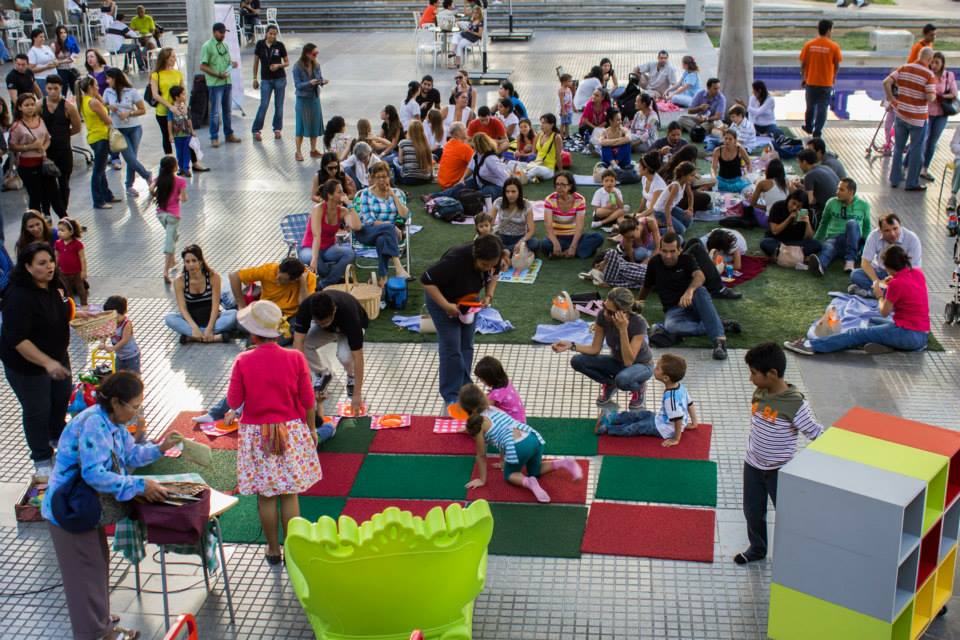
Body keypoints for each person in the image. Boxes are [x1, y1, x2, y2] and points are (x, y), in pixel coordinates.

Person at [42, 371, 179, 640]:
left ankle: (99, 619)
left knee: (97, 564)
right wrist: (140, 486)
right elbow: (95, 475)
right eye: (135, 406)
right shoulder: (94, 424)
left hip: (87, 507)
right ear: (116, 402)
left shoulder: (113, 422)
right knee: (85, 575)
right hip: (69, 509)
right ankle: (96, 632)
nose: (138, 413)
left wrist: (160, 448)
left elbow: (130, 454)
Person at [228, 299, 323, 564]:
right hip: (290, 429)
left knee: (267, 495)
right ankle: (292, 547)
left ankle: (272, 549)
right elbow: (307, 400)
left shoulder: (243, 360)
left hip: (257, 434)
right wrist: (313, 429)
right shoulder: (295, 357)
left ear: (253, 332)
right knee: (289, 493)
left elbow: (234, 401)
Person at [734, 343, 824, 565]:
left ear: (772, 374)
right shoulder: (760, 392)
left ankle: (794, 554)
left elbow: (815, 432)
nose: (750, 379)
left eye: (754, 373)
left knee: (787, 515)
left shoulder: (795, 403)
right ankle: (757, 548)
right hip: (753, 465)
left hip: (779, 470)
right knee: (753, 512)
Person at [0, 242, 74, 474]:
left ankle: (57, 439)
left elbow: (64, 309)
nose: (50, 266)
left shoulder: (55, 284)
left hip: (58, 356)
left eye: (51, 261)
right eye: (42, 263)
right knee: (37, 409)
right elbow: (19, 341)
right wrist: (47, 363)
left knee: (61, 398)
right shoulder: (18, 296)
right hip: (27, 367)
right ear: (28, 267)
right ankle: (42, 460)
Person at [787, 245, 929, 355]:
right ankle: (888, 345)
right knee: (870, 321)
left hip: (908, 335)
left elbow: (884, 312)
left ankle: (811, 346)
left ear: (888, 267)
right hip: (922, 334)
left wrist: (879, 295)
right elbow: (908, 292)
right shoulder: (917, 273)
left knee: (856, 332)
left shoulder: (896, 284)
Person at [459, 382, 581, 502]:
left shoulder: (478, 423)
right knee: (535, 470)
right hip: (532, 436)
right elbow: (503, 431)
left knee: (510, 475)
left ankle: (530, 482)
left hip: (518, 446)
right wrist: (502, 461)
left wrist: (482, 480)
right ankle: (563, 463)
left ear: (467, 408)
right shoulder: (493, 408)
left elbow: (481, 455)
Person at [421, 235, 503, 405]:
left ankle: (464, 387)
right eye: (483, 265)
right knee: (451, 346)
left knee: (467, 343)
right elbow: (426, 281)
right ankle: (451, 395)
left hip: (468, 300)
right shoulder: (456, 260)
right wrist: (446, 306)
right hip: (443, 300)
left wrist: (489, 294)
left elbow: (495, 274)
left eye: (491, 264)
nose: (487, 268)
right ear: (475, 256)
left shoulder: (495, 257)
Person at [639, 232, 738, 360]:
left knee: (700, 291)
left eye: (672, 251)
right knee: (671, 327)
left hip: (693, 301)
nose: (668, 256)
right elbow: (646, 286)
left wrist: (689, 292)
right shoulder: (654, 263)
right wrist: (637, 304)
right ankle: (718, 323)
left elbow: (700, 276)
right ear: (660, 249)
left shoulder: (687, 259)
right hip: (674, 309)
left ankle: (719, 342)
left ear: (680, 250)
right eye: (664, 251)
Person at [552, 287, 653, 410]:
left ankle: (638, 388)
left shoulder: (638, 323)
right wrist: (571, 345)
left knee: (623, 379)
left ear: (624, 312)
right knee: (577, 361)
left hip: (641, 365)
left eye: (610, 312)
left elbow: (628, 361)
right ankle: (610, 384)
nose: (605, 313)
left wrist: (622, 330)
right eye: (604, 307)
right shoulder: (602, 316)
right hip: (617, 361)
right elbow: (595, 349)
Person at [596, 353, 698, 448]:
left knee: (636, 427)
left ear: (666, 378)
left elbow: (678, 419)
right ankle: (612, 417)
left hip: (663, 429)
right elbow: (690, 404)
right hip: (659, 419)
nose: (654, 368)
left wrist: (676, 438)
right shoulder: (681, 387)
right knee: (639, 415)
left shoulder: (671, 399)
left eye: (657, 368)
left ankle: (607, 429)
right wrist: (694, 423)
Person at [293, 290, 368, 414]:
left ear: (334, 310)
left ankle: (351, 377)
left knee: (344, 356)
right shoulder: (307, 307)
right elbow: (298, 342)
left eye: (325, 322)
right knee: (305, 343)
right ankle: (323, 373)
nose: (322, 325)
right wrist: (303, 379)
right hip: (332, 329)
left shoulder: (349, 314)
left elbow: (358, 357)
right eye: (318, 322)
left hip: (350, 328)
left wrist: (357, 395)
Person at [150, 48, 207, 173]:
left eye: (175, 57)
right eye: (172, 57)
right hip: (164, 111)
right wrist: (170, 106)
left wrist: (184, 106)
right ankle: (170, 165)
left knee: (187, 136)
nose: (175, 59)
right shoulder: (156, 75)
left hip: (181, 111)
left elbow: (183, 91)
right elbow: (155, 94)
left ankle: (195, 162)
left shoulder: (177, 73)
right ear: (165, 58)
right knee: (167, 137)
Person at [353, 161, 411, 284]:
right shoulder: (366, 194)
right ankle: (399, 268)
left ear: (388, 177)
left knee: (382, 240)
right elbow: (369, 221)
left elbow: (405, 215)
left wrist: (394, 197)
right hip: (366, 232)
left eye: (384, 177)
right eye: (378, 177)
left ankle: (383, 279)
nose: (381, 180)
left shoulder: (395, 193)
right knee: (388, 229)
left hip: (387, 235)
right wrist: (391, 227)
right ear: (373, 179)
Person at [166, 244, 237, 343]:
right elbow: (183, 308)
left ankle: (193, 337)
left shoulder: (214, 277)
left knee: (233, 314)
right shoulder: (179, 281)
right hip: (191, 322)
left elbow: (215, 306)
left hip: (212, 320)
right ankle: (214, 337)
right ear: (184, 263)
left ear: (200, 261)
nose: (191, 264)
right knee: (169, 318)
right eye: (187, 261)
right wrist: (194, 327)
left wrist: (210, 327)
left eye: (194, 260)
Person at [10, 93, 63, 219]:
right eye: (26, 105)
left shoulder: (40, 120)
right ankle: (36, 224)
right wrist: (30, 147)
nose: (30, 108)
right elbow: (12, 146)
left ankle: (64, 219)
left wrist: (42, 148)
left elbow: (47, 138)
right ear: (20, 107)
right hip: (28, 165)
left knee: (53, 193)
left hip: (43, 163)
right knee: (35, 196)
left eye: (32, 104)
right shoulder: (17, 126)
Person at [300, 179, 359, 287]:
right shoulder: (318, 209)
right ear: (330, 195)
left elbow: (356, 226)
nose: (343, 194)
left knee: (350, 253)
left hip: (329, 248)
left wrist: (350, 205)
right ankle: (334, 278)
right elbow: (316, 236)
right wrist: (314, 258)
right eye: (340, 192)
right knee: (313, 259)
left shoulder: (342, 211)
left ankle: (324, 284)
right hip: (310, 247)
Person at [102, 67, 151, 196]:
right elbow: (103, 106)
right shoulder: (108, 92)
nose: (107, 81)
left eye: (109, 78)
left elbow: (142, 109)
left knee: (132, 158)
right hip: (119, 130)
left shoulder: (132, 92)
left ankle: (129, 185)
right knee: (129, 157)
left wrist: (129, 113)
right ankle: (147, 175)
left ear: (115, 79)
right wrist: (108, 107)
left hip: (134, 128)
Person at [808, 177, 871, 276]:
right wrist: (816, 242)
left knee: (852, 223)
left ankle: (850, 261)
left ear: (851, 192)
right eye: (837, 189)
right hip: (834, 239)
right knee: (828, 247)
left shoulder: (864, 205)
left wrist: (866, 248)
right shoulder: (831, 202)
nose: (837, 192)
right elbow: (823, 223)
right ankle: (820, 266)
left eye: (841, 190)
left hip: (854, 241)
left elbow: (867, 227)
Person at [849, 213, 922, 298]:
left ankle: (873, 294)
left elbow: (912, 270)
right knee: (855, 275)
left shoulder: (912, 239)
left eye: (895, 228)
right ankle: (887, 294)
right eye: (887, 230)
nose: (893, 234)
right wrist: (877, 282)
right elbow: (865, 262)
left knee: (910, 286)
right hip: (881, 272)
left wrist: (892, 280)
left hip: (903, 276)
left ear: (900, 226)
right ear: (880, 230)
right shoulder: (874, 235)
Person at [534, 171, 603, 259]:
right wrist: (555, 243)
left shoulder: (580, 200)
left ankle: (562, 253)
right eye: (557, 184)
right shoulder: (550, 200)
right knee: (545, 244)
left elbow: (579, 226)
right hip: (557, 236)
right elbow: (548, 225)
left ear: (570, 186)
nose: (559, 187)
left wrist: (573, 246)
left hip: (574, 237)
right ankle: (579, 252)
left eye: (563, 185)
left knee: (598, 237)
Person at [230, 258, 318, 321]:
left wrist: (302, 283)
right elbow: (234, 276)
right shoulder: (269, 270)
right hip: (267, 311)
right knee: (239, 322)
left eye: (281, 279)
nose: (276, 278)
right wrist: (241, 306)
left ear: (294, 280)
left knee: (300, 326)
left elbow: (304, 306)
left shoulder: (309, 278)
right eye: (278, 272)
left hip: (290, 316)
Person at [78, 77, 118, 210]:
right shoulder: (93, 102)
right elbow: (107, 119)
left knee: (101, 169)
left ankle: (107, 195)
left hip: (93, 137)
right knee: (98, 171)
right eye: (95, 85)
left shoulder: (84, 100)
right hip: (101, 137)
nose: (98, 88)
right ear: (90, 87)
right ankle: (98, 200)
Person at [199, 23, 241, 147]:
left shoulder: (225, 45)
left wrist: (232, 64)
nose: (223, 35)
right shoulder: (207, 46)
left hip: (227, 82)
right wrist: (217, 74)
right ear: (214, 32)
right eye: (221, 32)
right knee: (215, 112)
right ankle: (214, 137)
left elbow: (227, 61)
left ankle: (229, 134)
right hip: (215, 84)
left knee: (227, 111)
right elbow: (203, 66)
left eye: (224, 32)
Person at [799, 19, 842, 138]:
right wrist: (833, 77)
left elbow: (803, 64)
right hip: (826, 83)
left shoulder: (809, 45)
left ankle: (808, 127)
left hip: (811, 81)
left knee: (810, 106)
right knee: (822, 108)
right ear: (829, 30)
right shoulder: (834, 46)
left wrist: (804, 77)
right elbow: (837, 65)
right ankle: (817, 131)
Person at [920, 51, 956, 182]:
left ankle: (924, 168)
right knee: (920, 140)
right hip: (926, 113)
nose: (934, 65)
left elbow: (954, 93)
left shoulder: (948, 76)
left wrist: (939, 96)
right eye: (932, 62)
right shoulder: (926, 74)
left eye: (937, 63)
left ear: (942, 64)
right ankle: (908, 165)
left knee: (932, 142)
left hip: (941, 114)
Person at [150, 155, 187, 282]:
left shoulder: (159, 179)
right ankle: (166, 270)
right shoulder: (180, 181)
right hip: (173, 216)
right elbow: (184, 198)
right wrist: (179, 197)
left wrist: (155, 195)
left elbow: (151, 188)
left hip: (161, 214)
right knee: (169, 242)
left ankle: (173, 261)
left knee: (173, 236)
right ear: (175, 167)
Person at [758, 191, 822, 259]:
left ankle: (782, 254)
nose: (794, 208)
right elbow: (775, 231)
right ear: (789, 199)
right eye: (793, 203)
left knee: (816, 244)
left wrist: (807, 223)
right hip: (777, 240)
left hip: (795, 243)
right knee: (765, 243)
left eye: (799, 206)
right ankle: (796, 256)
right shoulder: (778, 206)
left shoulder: (806, 212)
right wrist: (789, 218)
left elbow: (808, 238)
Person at [251, 25, 288, 142]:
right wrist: (254, 78)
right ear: (266, 33)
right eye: (270, 33)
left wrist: (278, 65)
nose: (272, 36)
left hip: (280, 79)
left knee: (279, 105)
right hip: (266, 80)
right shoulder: (260, 44)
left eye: (274, 34)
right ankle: (256, 129)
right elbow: (256, 62)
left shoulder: (280, 45)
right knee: (264, 104)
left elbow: (287, 62)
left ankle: (277, 128)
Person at [292, 43, 326, 162]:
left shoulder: (316, 65)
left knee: (315, 124)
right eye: (314, 54)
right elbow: (297, 85)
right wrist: (309, 83)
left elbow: (319, 77)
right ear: (307, 54)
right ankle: (298, 151)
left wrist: (322, 81)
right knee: (301, 126)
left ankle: (313, 150)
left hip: (314, 98)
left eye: (317, 54)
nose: (316, 56)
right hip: (303, 99)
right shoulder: (297, 67)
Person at [474, 355, 526, 422]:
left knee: (482, 416)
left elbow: (483, 407)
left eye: (482, 379)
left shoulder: (496, 393)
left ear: (490, 378)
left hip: (512, 426)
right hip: (520, 421)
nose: (481, 381)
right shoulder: (506, 383)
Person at [492, 177, 535, 252]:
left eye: (513, 191)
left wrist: (521, 241)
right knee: (491, 243)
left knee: (534, 243)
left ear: (519, 192)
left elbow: (531, 230)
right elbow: (490, 222)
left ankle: (505, 251)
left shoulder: (527, 205)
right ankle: (511, 250)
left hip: (520, 237)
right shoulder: (498, 202)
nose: (510, 194)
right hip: (502, 237)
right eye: (507, 191)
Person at [793, 148, 839, 218]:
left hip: (827, 211)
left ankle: (801, 222)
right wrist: (802, 186)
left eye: (799, 162)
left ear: (804, 162)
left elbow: (810, 201)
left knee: (801, 198)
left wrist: (794, 190)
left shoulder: (810, 175)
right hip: (839, 206)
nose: (799, 166)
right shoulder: (825, 167)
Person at [101, 295, 141, 373]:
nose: (113, 319)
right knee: (118, 375)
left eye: (116, 316)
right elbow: (105, 333)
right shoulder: (111, 322)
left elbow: (124, 340)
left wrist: (112, 348)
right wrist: (102, 342)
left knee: (133, 376)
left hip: (132, 357)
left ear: (124, 312)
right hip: (120, 357)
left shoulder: (126, 324)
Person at [54, 217, 87, 306]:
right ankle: (72, 305)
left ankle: (84, 304)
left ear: (71, 232)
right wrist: (55, 268)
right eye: (58, 230)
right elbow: (57, 256)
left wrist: (83, 271)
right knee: (68, 290)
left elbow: (82, 258)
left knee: (80, 289)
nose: (59, 232)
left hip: (76, 272)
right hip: (63, 272)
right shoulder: (58, 243)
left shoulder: (77, 244)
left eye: (62, 230)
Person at [525, 114, 563, 183]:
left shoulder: (557, 137)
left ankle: (522, 176)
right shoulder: (539, 134)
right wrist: (523, 153)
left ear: (552, 124)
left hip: (548, 169)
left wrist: (561, 173)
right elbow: (533, 153)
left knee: (537, 169)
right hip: (536, 164)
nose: (541, 125)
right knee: (512, 163)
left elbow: (558, 156)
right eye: (541, 123)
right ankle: (526, 175)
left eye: (544, 123)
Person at [166, 85, 194, 177]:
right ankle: (181, 167)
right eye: (183, 94)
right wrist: (170, 134)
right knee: (179, 152)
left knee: (187, 151)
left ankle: (186, 168)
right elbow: (169, 122)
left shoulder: (186, 107)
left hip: (187, 134)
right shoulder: (171, 109)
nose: (185, 96)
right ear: (176, 97)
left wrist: (192, 130)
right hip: (177, 135)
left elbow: (189, 119)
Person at [26, 30, 57, 96]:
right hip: (43, 79)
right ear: (34, 38)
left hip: (54, 76)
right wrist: (46, 67)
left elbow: (54, 58)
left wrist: (56, 62)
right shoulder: (32, 52)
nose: (43, 39)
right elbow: (31, 69)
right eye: (40, 37)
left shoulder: (47, 47)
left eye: (43, 37)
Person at [51, 26, 78, 98]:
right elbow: (53, 62)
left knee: (75, 90)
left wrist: (73, 57)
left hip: (71, 68)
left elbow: (76, 52)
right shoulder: (54, 45)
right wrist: (63, 61)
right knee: (63, 90)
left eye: (65, 32)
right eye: (61, 33)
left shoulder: (70, 42)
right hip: (61, 70)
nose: (63, 35)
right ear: (57, 34)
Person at [558, 73, 574, 138]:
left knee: (567, 123)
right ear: (564, 82)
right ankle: (561, 136)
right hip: (564, 109)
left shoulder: (568, 89)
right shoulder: (561, 91)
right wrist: (563, 111)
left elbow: (571, 99)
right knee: (563, 123)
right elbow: (561, 101)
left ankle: (567, 135)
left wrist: (574, 107)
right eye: (569, 81)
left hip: (569, 109)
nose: (571, 82)